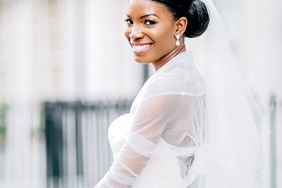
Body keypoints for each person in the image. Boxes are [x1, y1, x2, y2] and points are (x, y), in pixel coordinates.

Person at [94, 0, 268, 187]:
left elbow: (121, 178)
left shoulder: (164, 88)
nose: (134, 34)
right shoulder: (192, 80)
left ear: (179, 26)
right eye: (129, 22)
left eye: (148, 22)